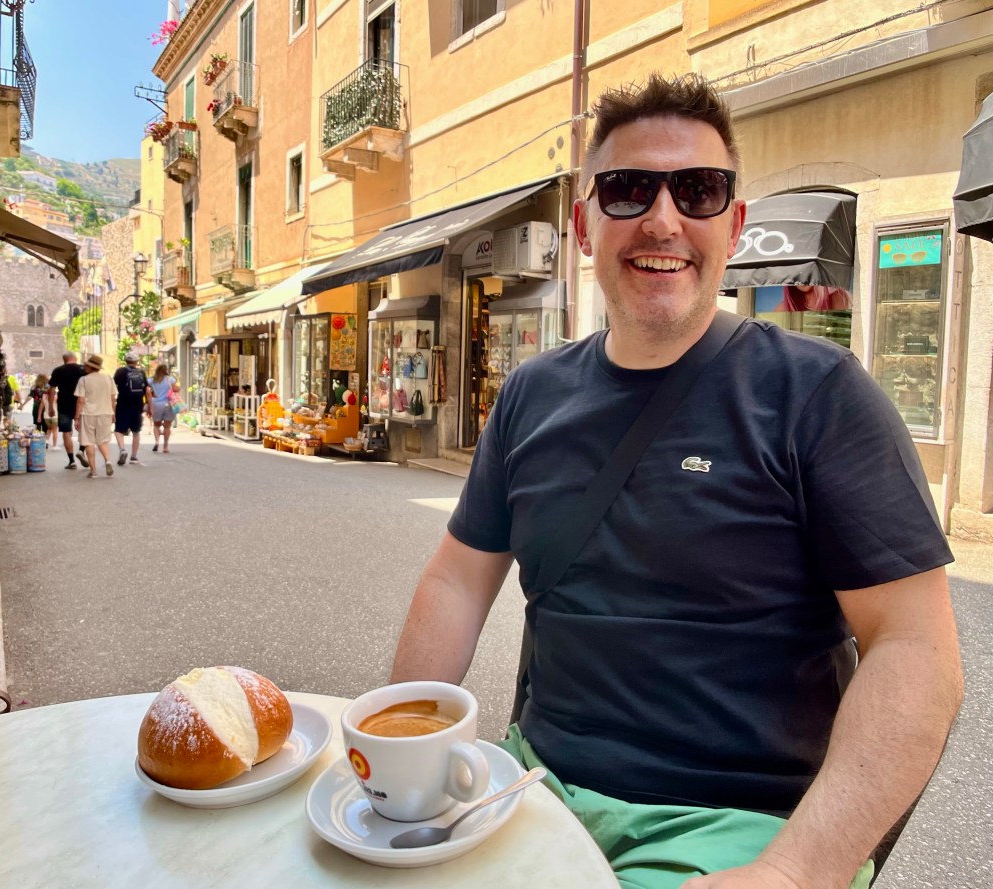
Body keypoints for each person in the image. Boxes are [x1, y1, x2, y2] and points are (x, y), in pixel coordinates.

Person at [389, 73, 963, 889]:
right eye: (628, 189)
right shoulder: (529, 395)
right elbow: (457, 579)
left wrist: (793, 871)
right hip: (532, 787)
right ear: (585, 226)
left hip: (733, 828)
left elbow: (915, 649)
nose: (663, 219)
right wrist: (398, 743)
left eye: (697, 190)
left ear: (734, 224)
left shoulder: (819, 394)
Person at [73, 354, 117, 478]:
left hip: (88, 414)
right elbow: (113, 398)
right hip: (105, 412)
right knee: (103, 441)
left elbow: (81, 400)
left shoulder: (83, 380)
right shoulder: (108, 378)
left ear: (89, 367)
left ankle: (93, 471)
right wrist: (113, 413)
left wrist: (76, 417)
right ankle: (108, 460)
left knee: (88, 442)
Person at [48, 351, 89, 470]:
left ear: (64, 359)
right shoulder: (84, 369)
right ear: (75, 358)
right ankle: (81, 451)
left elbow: (52, 390)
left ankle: (72, 461)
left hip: (64, 405)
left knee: (66, 432)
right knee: (84, 430)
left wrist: (50, 406)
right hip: (82, 404)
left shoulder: (58, 370)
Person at [113, 352, 150, 466]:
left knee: (119, 430)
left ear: (126, 360)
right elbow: (147, 390)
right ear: (137, 361)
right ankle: (134, 456)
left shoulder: (120, 371)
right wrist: (148, 405)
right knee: (136, 432)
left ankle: (122, 449)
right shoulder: (141, 372)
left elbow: (113, 387)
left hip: (123, 405)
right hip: (138, 405)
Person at [147, 363, 178, 454]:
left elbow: (147, 391)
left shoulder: (151, 380)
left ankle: (157, 441)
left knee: (156, 425)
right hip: (168, 403)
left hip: (156, 404)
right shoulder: (170, 379)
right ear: (166, 370)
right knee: (167, 426)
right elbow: (176, 389)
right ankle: (165, 447)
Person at [773, 284, 851, 312]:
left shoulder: (838, 297)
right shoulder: (783, 308)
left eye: (806, 271)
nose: (802, 279)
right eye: (796, 275)